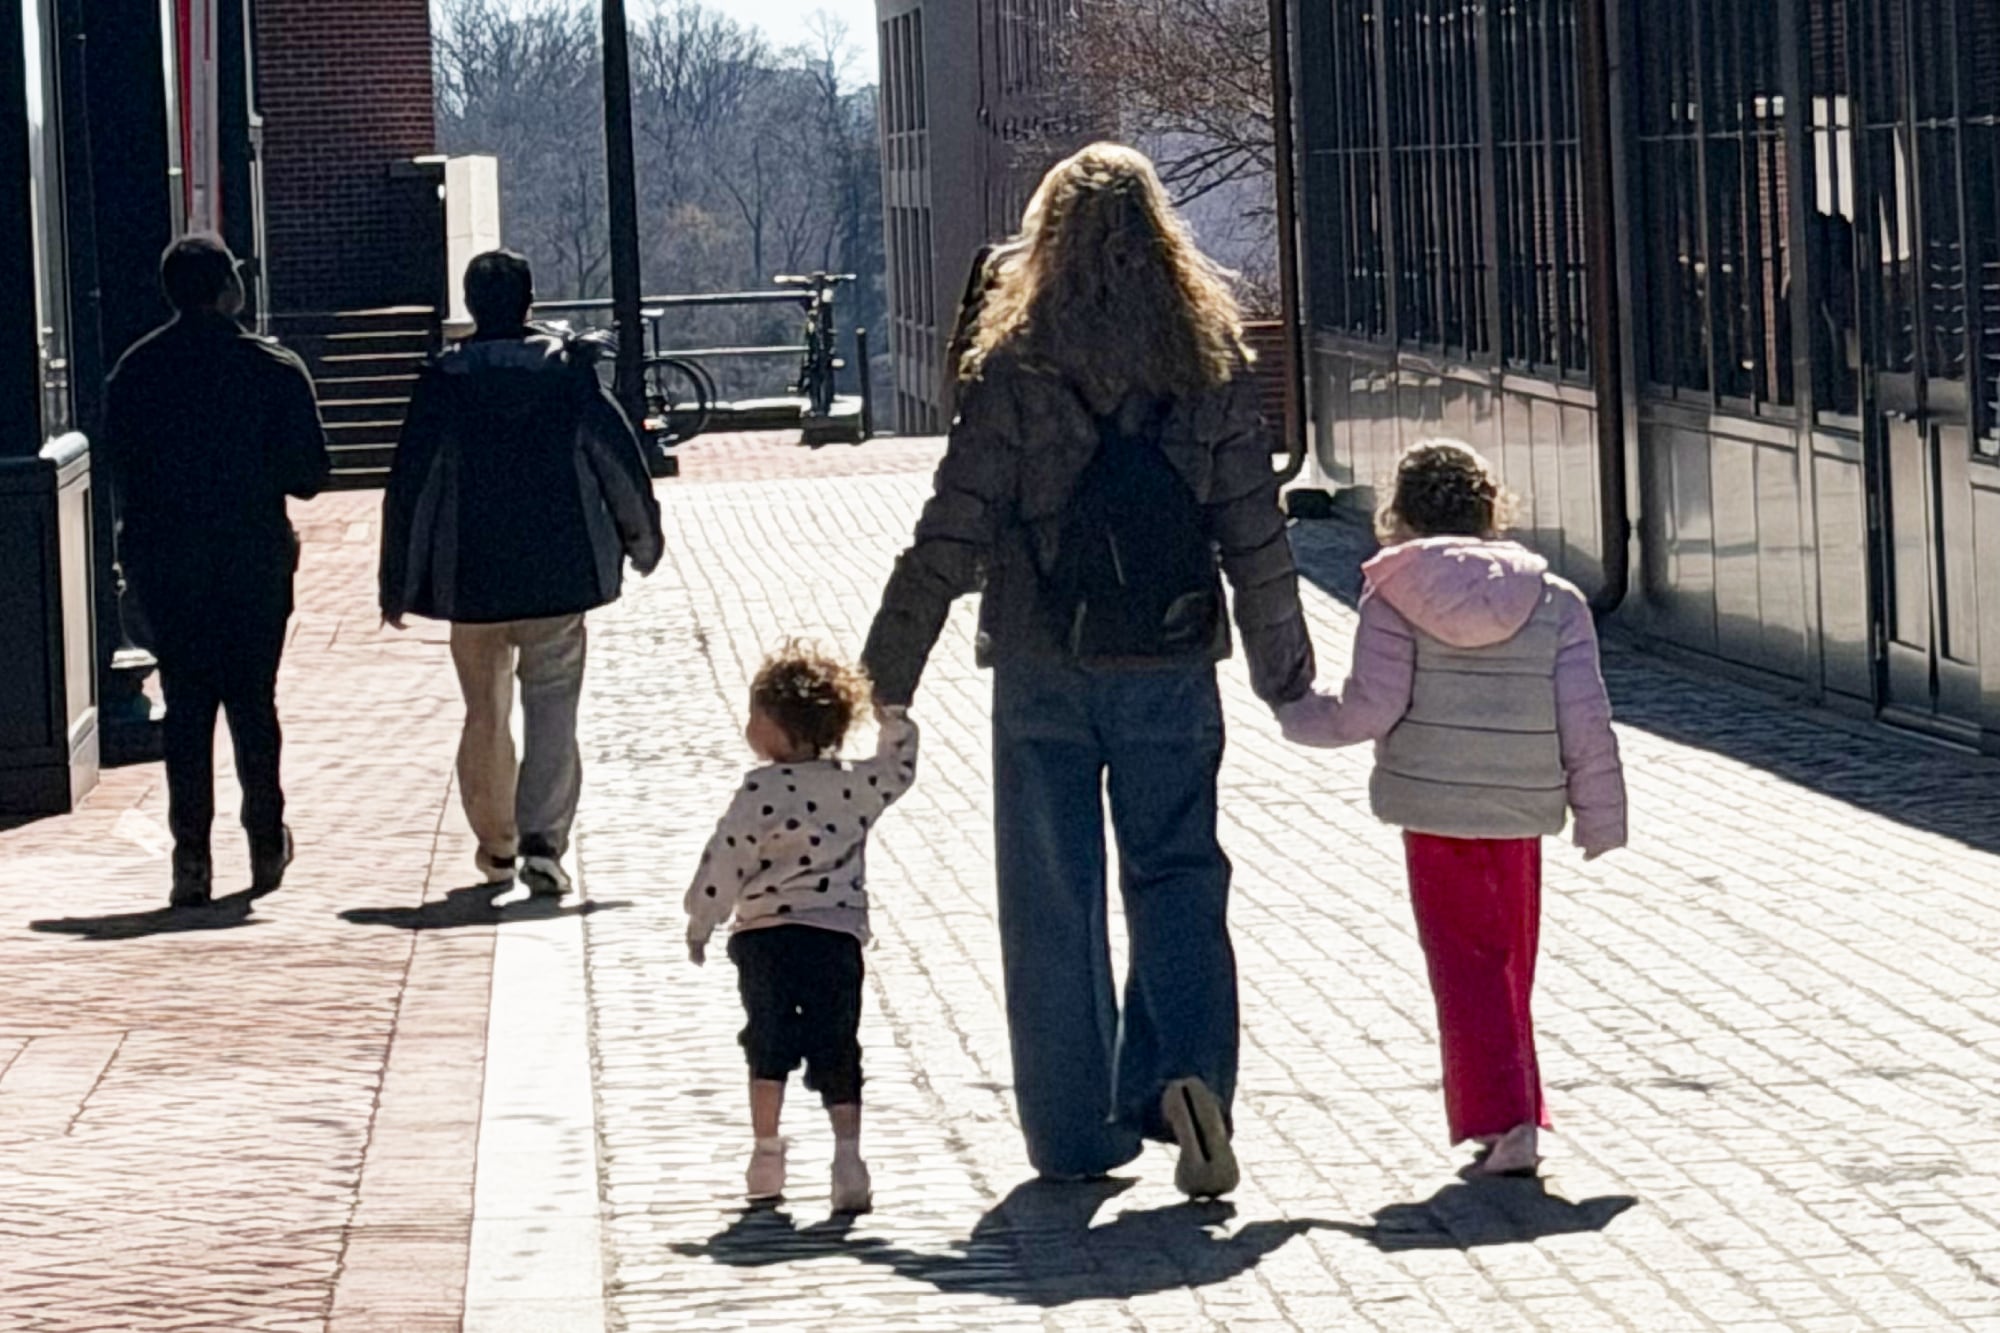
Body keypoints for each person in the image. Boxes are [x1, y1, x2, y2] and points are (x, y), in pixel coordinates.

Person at [862, 143, 1315, 1198]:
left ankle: (1074, 1131)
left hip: (1041, 664)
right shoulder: (1208, 360)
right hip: (1166, 659)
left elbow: (951, 529)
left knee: (1051, 895)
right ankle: (1186, 1077)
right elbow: (1253, 528)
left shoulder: (1012, 364)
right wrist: (1283, 668)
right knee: (1178, 874)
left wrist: (887, 670)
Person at [1277, 440, 1627, 1176]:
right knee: (1510, 962)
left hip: (1435, 807)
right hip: (1522, 807)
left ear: (1398, 512)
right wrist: (1600, 814)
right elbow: (1585, 717)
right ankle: (1518, 1109)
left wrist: (1298, 713)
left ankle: (1507, 1118)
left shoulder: (1394, 592)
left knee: (1463, 966)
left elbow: (1374, 704)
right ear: (1490, 507)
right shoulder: (1554, 598)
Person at [380, 250, 664, 897]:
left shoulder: (443, 382)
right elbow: (616, 459)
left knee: (484, 710)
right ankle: (544, 842)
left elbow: (410, 486)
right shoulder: (567, 375)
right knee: (553, 707)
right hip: (559, 571)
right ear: (529, 301)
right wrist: (641, 540)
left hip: (469, 577)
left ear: (471, 305)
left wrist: (396, 578)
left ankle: (496, 841)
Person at [104, 234, 331, 908]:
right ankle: (264, 836)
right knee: (254, 704)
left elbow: (122, 474)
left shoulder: (136, 372)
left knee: (187, 710)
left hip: (169, 566)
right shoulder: (273, 366)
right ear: (229, 285)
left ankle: (190, 856)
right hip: (254, 559)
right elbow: (312, 475)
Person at [684, 643, 920, 1213]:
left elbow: (728, 856)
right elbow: (897, 771)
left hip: (764, 936)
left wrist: (702, 918)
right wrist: (895, 721)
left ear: (778, 731)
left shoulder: (759, 791)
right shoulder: (852, 787)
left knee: (766, 1040)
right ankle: (848, 1160)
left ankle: (766, 1154)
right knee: (837, 1042)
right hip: (836, 937)